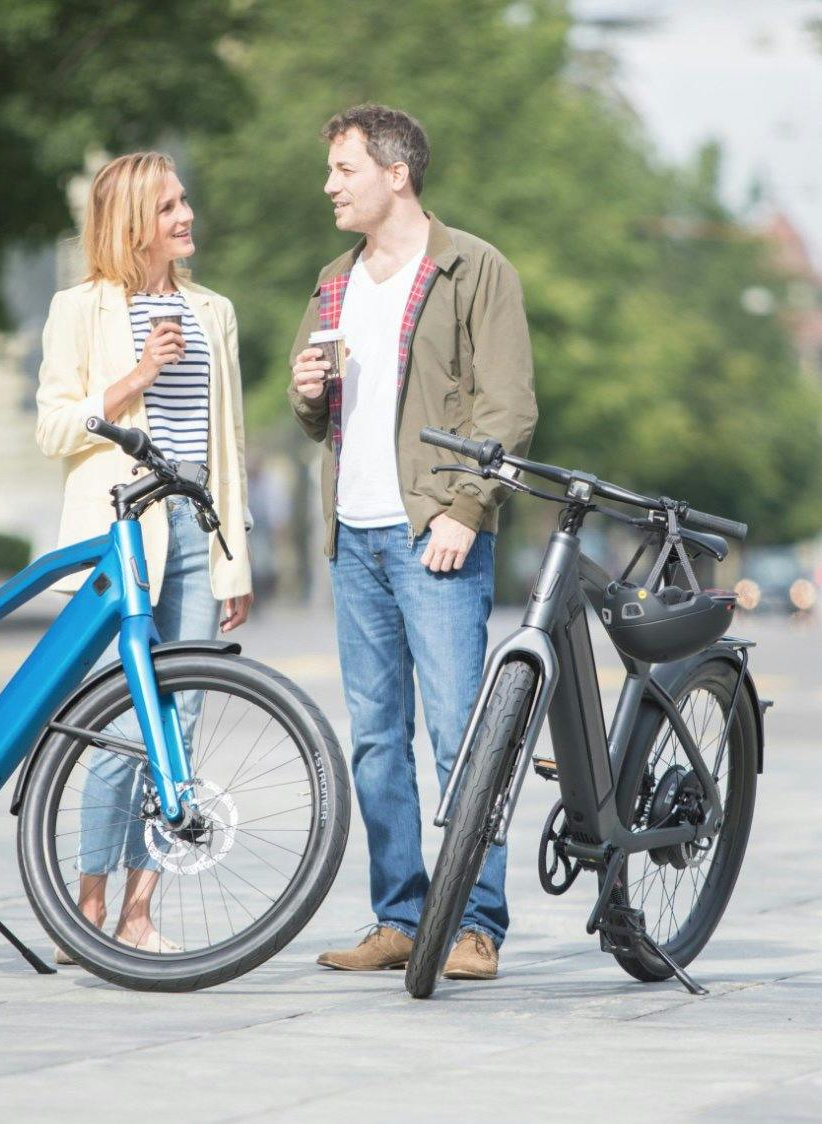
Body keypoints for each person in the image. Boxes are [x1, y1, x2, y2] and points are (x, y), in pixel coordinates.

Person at [288, 104, 537, 981]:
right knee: (376, 741)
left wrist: (464, 511)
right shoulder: (333, 278)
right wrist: (307, 389)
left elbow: (509, 410)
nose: (329, 185)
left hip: (433, 534)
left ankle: (475, 926)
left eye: (343, 170)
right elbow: (318, 415)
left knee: (458, 738)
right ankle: (398, 917)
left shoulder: (474, 269)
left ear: (395, 173)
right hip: (353, 538)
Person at [36, 152, 253, 959]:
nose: (186, 215)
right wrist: (133, 379)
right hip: (121, 539)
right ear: (133, 223)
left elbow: (225, 447)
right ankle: (86, 908)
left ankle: (137, 911)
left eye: (184, 201)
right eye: (169, 207)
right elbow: (55, 428)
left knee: (181, 725)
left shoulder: (213, 311)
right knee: (120, 724)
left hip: (196, 537)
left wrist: (236, 561)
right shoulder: (78, 309)